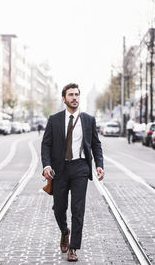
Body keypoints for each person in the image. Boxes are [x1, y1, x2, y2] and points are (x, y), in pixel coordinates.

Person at [41, 83, 105, 262]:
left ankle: (74, 247)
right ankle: (64, 231)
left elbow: (95, 144)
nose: (74, 98)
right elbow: (46, 144)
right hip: (59, 170)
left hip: (80, 168)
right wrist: (46, 166)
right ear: (64, 98)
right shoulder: (54, 119)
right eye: (71, 95)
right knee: (59, 208)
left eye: (77, 94)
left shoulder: (88, 120)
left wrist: (99, 164)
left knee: (78, 210)